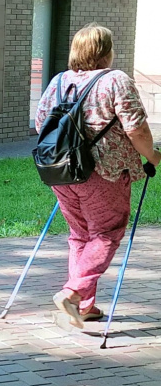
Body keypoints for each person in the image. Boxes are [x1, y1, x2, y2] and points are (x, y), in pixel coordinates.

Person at [35, 23, 161, 329]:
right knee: (106, 233)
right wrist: (154, 156)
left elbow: (41, 123)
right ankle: (73, 293)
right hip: (105, 172)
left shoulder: (58, 81)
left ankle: (85, 306)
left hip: (60, 170)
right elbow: (137, 129)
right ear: (105, 51)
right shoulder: (116, 79)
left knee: (81, 235)